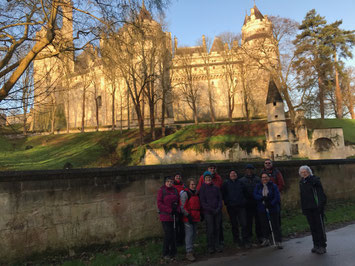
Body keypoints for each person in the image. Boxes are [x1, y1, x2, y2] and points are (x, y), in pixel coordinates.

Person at [299, 165, 327, 254]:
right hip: (308, 208)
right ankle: (316, 245)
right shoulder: (301, 182)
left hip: (316, 208)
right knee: (313, 228)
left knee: (319, 228)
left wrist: (320, 206)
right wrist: (303, 208)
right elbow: (302, 197)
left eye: (305, 172)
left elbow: (321, 195)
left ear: (309, 172)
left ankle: (322, 246)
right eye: (302, 172)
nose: (304, 174)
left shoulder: (315, 180)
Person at [196, 164, 224, 247]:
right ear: (204, 179)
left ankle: (218, 244)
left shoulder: (216, 185)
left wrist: (218, 208)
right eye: (207, 178)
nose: (208, 179)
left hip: (217, 210)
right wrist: (210, 209)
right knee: (210, 229)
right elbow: (202, 200)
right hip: (208, 211)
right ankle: (210, 246)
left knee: (218, 228)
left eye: (214, 168)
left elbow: (220, 197)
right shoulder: (202, 188)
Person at [254, 173, 283, 249]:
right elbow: (255, 195)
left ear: (269, 178)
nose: (264, 179)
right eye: (263, 177)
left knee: (275, 225)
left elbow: (277, 196)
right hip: (262, 208)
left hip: (272, 208)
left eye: (266, 177)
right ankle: (266, 239)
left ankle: (278, 241)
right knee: (264, 225)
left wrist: (271, 203)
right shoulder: (258, 186)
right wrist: (262, 198)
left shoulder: (273, 186)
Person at [221, 170, 248, 248]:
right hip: (231, 207)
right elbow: (223, 194)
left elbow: (245, 193)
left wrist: (244, 201)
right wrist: (227, 202)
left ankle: (245, 240)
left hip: (241, 206)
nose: (233, 175)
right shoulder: (226, 184)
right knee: (234, 224)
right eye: (231, 174)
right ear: (229, 175)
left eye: (234, 173)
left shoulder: (241, 183)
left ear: (237, 175)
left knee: (244, 224)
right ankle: (236, 240)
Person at [157, 176, 180, 260]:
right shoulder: (162, 190)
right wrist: (170, 210)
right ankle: (165, 252)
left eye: (171, 181)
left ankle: (173, 252)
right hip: (165, 216)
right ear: (165, 182)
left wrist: (176, 210)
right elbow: (159, 204)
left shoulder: (175, 190)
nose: (169, 183)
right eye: (168, 181)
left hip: (174, 216)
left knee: (173, 234)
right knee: (168, 234)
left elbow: (178, 201)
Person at [239, 164, 262, 245]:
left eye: (251, 169)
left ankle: (260, 236)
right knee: (248, 222)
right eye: (248, 169)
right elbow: (241, 192)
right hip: (247, 204)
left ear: (253, 170)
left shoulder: (258, 179)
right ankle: (249, 237)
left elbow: (260, 189)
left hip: (256, 202)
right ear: (245, 170)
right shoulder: (241, 180)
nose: (249, 171)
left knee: (258, 221)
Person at [180, 178, 201, 262]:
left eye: (194, 184)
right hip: (188, 217)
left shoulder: (196, 193)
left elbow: (198, 205)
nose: (193, 186)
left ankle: (191, 249)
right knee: (189, 234)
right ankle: (189, 252)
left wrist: (201, 214)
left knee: (194, 234)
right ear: (188, 185)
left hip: (196, 216)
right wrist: (188, 215)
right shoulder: (185, 194)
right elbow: (182, 206)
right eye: (192, 184)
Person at [173, 173, 186, 246]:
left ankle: (182, 240)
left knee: (182, 225)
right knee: (176, 225)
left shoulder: (183, 185)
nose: (178, 177)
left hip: (183, 207)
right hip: (176, 208)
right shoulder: (173, 186)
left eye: (179, 176)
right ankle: (177, 241)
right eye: (176, 176)